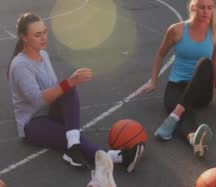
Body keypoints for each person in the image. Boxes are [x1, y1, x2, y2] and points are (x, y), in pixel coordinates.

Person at [8, 12, 143, 171]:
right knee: (70, 130)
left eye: (45, 32)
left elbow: (55, 89)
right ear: (24, 37)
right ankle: (117, 157)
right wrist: (69, 82)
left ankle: (73, 148)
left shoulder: (43, 54)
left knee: (69, 92)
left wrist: (70, 84)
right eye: (37, 35)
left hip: (51, 111)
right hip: (33, 122)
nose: (44, 38)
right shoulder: (20, 65)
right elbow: (37, 100)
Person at [141, 0, 216, 158]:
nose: (205, 11)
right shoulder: (177, 30)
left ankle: (173, 115)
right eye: (202, 7)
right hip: (177, 85)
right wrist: (153, 80)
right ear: (193, 7)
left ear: (213, 10)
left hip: (202, 91)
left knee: (205, 63)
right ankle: (192, 139)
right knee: (184, 111)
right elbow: (160, 54)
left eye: (209, 7)